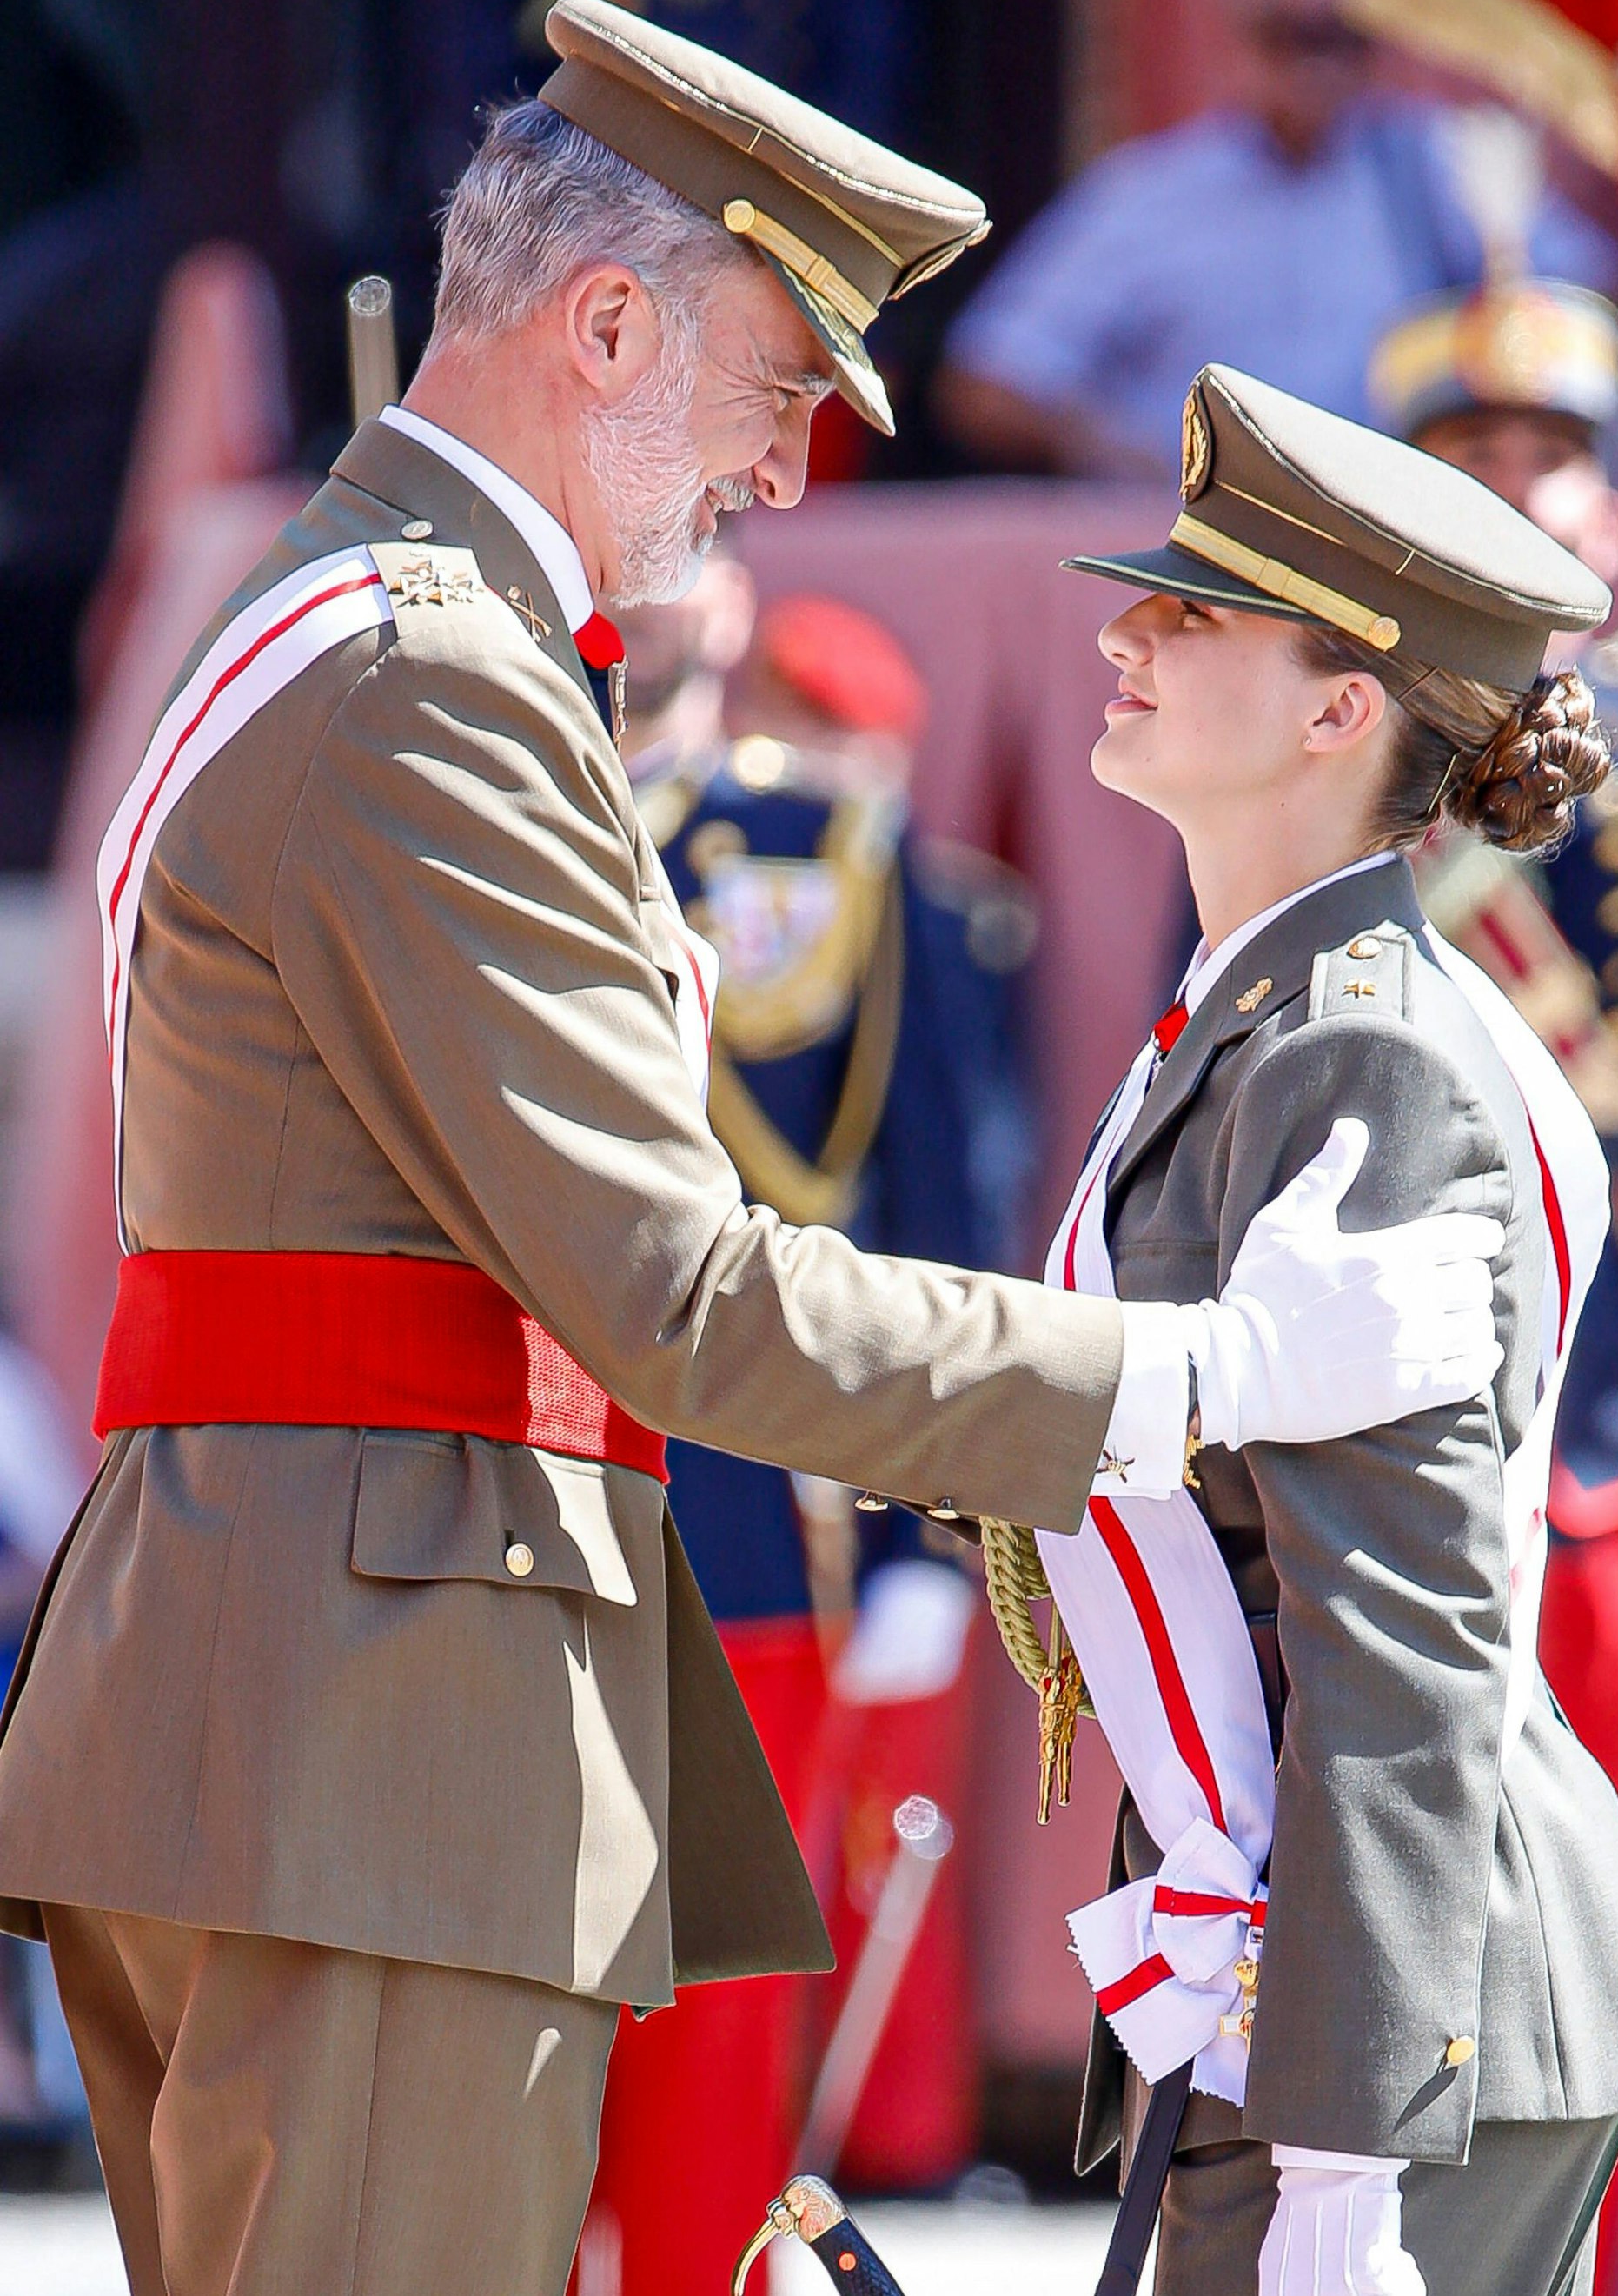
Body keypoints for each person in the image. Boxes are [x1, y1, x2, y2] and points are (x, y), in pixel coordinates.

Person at [0, 1, 1507, 2295]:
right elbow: (680, 1296)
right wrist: (1201, 1374)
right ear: (602, 322)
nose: (793, 476)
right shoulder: (434, 682)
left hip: (337, 1705)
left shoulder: (406, 632)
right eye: (774, 389)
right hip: (373, 1742)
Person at [1023, 363, 1618, 2296]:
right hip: (1337, 1964)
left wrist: (1342, 2156)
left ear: (1342, 709)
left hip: (1400, 2004)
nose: (1122, 627)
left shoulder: (1358, 1053)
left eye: (1193, 609)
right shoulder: (1268, 1014)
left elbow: (1404, 1623)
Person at [576, 564, 1009, 2291]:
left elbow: (929, 1189)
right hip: (498, 1497)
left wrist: (928, 1522)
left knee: (709, 2029)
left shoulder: (817, 850)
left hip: (742, 1505)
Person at [1371, 272, 1618, 2293]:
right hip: (1409, 1319)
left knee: (1597, 1891)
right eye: (1473, 458)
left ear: (1611, 504)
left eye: (1553, 457)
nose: (1519, 489)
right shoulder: (1345, 698)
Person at [933, 0, 1618, 482]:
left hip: (1391, 540)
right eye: (1289, 40)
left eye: (1338, 42)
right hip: (1203, 539)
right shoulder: (1148, 191)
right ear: (1239, 39)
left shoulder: (1437, 165)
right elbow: (986, 384)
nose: (1314, 68)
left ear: (1375, 47)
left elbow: (1586, 305)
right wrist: (1137, 455)